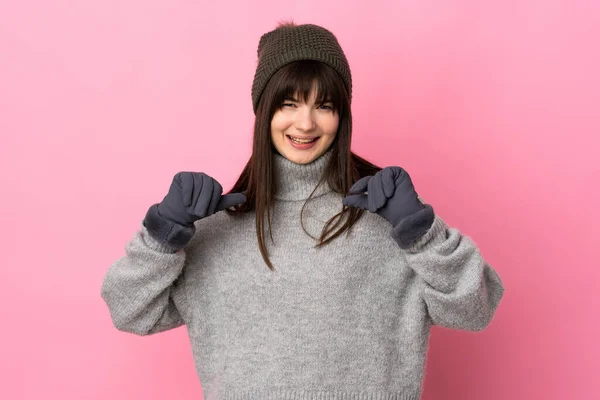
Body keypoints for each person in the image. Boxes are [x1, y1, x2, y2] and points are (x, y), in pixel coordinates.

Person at [101, 21, 504, 400]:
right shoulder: (215, 229)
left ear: (342, 115)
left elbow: (475, 308)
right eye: (289, 103)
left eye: (324, 105)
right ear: (264, 112)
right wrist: (162, 234)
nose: (306, 122)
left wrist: (422, 232)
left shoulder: (388, 219)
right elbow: (130, 310)